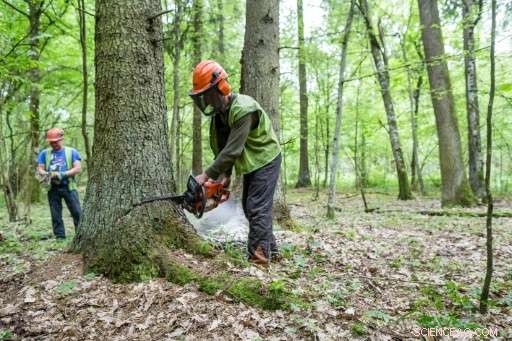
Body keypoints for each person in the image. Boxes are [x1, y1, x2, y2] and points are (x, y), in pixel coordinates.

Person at [189, 60, 282, 265]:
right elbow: (224, 150)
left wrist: (206, 176)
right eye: (203, 97)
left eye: (209, 94)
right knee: (250, 208)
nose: (207, 100)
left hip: (266, 159)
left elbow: (233, 151)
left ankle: (259, 260)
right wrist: (225, 178)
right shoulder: (219, 117)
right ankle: (271, 251)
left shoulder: (243, 110)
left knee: (257, 207)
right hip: (252, 162)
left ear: (221, 87)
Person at [36, 128, 82, 239]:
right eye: (51, 142)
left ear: (61, 139)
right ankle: (60, 237)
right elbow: (39, 169)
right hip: (52, 187)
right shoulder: (44, 153)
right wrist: (48, 174)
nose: (53, 144)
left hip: (69, 186)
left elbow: (77, 168)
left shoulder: (72, 152)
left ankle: (80, 236)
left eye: (56, 141)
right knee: (55, 214)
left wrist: (62, 174)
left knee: (77, 212)